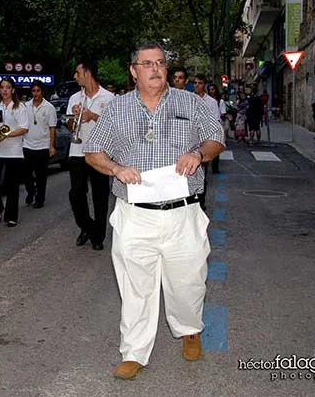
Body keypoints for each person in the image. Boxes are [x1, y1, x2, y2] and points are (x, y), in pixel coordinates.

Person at [84, 42, 224, 380]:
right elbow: (92, 151)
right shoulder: (116, 109)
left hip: (182, 212)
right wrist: (116, 168)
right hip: (135, 214)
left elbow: (216, 137)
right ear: (134, 71)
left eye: (160, 62)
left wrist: (199, 155)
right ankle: (133, 352)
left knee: (188, 281)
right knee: (135, 286)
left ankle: (189, 328)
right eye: (147, 64)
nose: (156, 69)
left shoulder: (189, 102)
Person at [67, 58, 115, 251]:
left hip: (100, 153)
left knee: (100, 195)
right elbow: (70, 125)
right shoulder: (74, 98)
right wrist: (75, 117)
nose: (75, 76)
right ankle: (87, 226)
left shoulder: (109, 98)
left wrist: (92, 116)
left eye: (77, 73)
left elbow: (114, 127)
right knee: (76, 193)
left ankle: (98, 236)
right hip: (78, 151)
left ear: (87, 73)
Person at [0, 78, 29, 227]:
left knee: (12, 185)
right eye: (2, 87)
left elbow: (24, 128)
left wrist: (7, 134)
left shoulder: (19, 107)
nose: (5, 90)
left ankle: (11, 216)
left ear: (12, 90)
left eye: (8, 87)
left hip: (14, 152)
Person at [22, 80, 57, 208]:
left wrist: (51, 146)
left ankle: (40, 199)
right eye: (33, 91)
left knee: (41, 175)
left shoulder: (49, 108)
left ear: (42, 92)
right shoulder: (26, 106)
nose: (35, 93)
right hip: (27, 144)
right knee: (27, 174)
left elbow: (52, 128)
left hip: (42, 145)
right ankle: (31, 192)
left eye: (38, 91)